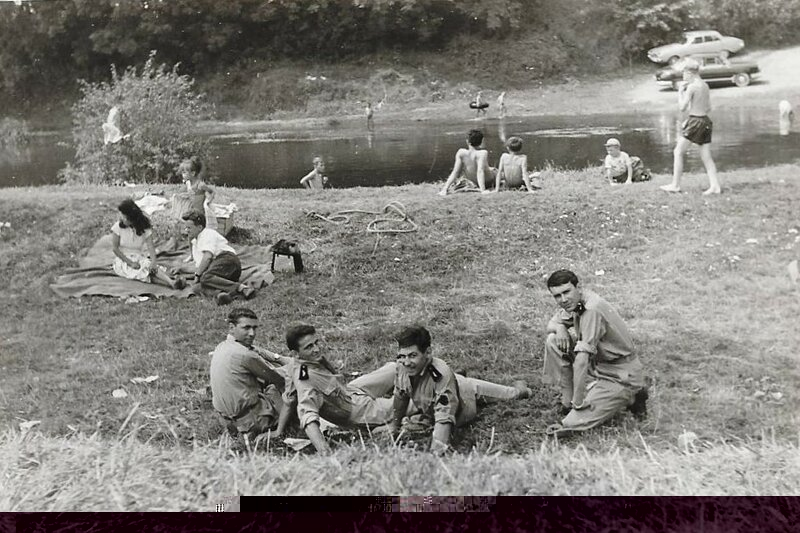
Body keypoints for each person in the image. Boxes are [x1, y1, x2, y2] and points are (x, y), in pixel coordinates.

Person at [280, 324, 531, 455]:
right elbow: (306, 412)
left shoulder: (297, 363)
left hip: (351, 391)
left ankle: (503, 390)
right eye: (309, 348)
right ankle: (512, 391)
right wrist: (324, 451)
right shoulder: (303, 376)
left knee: (401, 368)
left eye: (316, 343)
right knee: (452, 385)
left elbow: (443, 421)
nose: (316, 350)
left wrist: (278, 430)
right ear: (296, 354)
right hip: (359, 409)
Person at [386, 324, 532, 455]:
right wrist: (394, 426)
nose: (406, 362)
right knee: (448, 384)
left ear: (428, 353)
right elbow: (400, 397)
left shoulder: (440, 374)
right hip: (439, 397)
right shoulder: (401, 367)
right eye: (402, 356)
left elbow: (444, 417)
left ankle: (521, 388)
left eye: (412, 356)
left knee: (511, 394)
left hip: (466, 395)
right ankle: (456, 377)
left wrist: (436, 451)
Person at [541, 270, 648, 437]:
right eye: (557, 296)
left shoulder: (591, 309)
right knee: (553, 340)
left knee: (569, 425)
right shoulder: (576, 301)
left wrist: (579, 403)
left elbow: (582, 361)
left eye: (566, 292)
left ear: (578, 287)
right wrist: (561, 327)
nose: (563, 300)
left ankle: (633, 394)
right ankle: (567, 401)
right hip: (599, 365)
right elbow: (551, 324)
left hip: (620, 374)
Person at [210, 308, 291, 442]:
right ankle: (303, 423)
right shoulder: (245, 355)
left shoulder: (222, 346)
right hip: (253, 422)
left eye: (254, 328)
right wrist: (298, 365)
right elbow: (280, 379)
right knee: (288, 384)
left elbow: (255, 349)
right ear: (232, 328)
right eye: (246, 328)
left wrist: (278, 357)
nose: (252, 333)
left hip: (227, 421)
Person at [660, 58, 721, 195]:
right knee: (706, 156)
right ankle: (715, 186)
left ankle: (675, 185)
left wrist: (680, 92)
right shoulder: (705, 85)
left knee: (678, 152)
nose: (683, 76)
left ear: (690, 73)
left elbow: (682, 107)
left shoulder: (692, 87)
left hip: (695, 122)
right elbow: (709, 107)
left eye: (684, 73)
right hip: (705, 121)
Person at [179, 211, 258, 305]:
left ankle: (241, 288)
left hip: (227, 260)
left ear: (200, 227)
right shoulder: (196, 241)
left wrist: (197, 275)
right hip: (221, 274)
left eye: (189, 228)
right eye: (186, 228)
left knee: (205, 277)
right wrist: (182, 269)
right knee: (196, 287)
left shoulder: (207, 234)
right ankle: (222, 294)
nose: (186, 230)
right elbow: (201, 265)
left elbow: (207, 257)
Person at [110, 199, 184, 289]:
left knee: (149, 266)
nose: (122, 219)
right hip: (123, 259)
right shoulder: (117, 227)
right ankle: (170, 283)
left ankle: (171, 282)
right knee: (139, 272)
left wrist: (153, 262)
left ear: (132, 218)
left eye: (125, 217)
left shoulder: (144, 228)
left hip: (138, 256)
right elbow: (115, 249)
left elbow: (150, 246)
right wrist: (130, 263)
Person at [438, 129, 496, 195]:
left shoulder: (461, 152)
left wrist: (445, 189)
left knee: (491, 168)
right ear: (481, 141)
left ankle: (445, 189)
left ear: (467, 141)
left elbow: (455, 172)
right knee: (496, 171)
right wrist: (483, 190)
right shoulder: (482, 153)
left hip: (473, 180)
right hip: (487, 181)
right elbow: (480, 171)